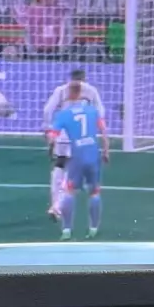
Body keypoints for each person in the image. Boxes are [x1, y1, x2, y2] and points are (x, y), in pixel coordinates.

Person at [42, 71, 106, 220]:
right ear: (84, 79)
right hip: (81, 136)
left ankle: (55, 205)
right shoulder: (91, 90)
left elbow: (47, 110)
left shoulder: (61, 90)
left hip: (62, 134)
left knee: (59, 165)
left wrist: (47, 128)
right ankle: (58, 206)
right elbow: (100, 111)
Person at [49, 90, 110, 241]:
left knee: (69, 191)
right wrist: (106, 151)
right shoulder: (93, 111)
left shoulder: (64, 114)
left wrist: (51, 150)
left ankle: (67, 230)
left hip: (77, 155)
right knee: (94, 192)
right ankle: (93, 229)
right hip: (93, 154)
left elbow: (52, 137)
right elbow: (104, 131)